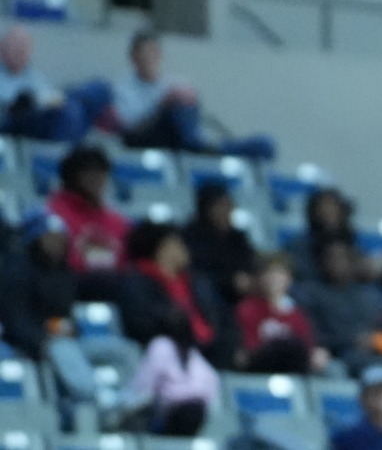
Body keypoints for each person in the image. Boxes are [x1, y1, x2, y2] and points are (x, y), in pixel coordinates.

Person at [0, 208, 98, 403]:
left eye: (60, 238)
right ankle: (96, 402)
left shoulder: (63, 273)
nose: (57, 244)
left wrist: (69, 328)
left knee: (123, 351)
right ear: (36, 239)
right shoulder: (17, 270)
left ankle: (130, 399)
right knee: (62, 349)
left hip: (60, 339)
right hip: (27, 342)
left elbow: (62, 318)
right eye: (50, 238)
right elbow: (15, 320)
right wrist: (41, 340)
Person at [119, 222, 220, 357]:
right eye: (178, 244)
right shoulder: (137, 283)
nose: (185, 249)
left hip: (208, 350)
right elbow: (142, 324)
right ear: (163, 249)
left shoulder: (197, 282)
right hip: (165, 353)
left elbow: (218, 319)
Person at [123, 307, 219, 436]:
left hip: (177, 415)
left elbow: (142, 386)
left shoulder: (161, 345)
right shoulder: (194, 354)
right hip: (195, 414)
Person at [104, 30, 204, 151]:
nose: (147, 58)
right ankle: (197, 148)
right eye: (143, 53)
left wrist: (186, 97)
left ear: (159, 55)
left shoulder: (172, 83)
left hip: (173, 136)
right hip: (141, 138)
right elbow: (130, 128)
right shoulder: (122, 88)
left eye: (152, 52)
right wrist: (162, 105)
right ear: (133, 57)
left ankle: (197, 146)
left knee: (184, 103)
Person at [236, 252, 330, 374]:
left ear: (289, 279)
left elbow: (307, 346)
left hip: (295, 370)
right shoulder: (247, 308)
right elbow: (250, 348)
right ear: (260, 278)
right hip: (262, 368)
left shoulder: (298, 314)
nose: (274, 279)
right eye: (269, 273)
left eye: (279, 273)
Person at [303, 237, 382, 371]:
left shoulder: (369, 295)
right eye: (332, 258)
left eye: (344, 258)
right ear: (322, 263)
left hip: (373, 353)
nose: (338, 264)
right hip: (335, 356)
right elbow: (313, 335)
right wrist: (352, 341)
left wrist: (375, 341)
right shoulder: (311, 294)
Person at [46, 144, 129, 283]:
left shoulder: (118, 222)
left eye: (101, 173)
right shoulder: (53, 215)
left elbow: (126, 263)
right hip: (70, 284)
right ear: (72, 176)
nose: (96, 179)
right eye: (88, 173)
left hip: (113, 287)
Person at [0, 24, 85, 141]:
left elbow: (50, 99)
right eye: (15, 46)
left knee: (75, 103)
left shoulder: (36, 78)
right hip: (8, 122)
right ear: (2, 48)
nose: (20, 51)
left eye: (24, 48)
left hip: (36, 120)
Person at [183, 181, 259, 305]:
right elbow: (196, 272)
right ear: (207, 208)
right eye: (221, 205)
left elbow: (250, 263)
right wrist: (230, 281)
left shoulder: (238, 237)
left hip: (244, 295)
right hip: (211, 297)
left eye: (229, 205)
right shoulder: (191, 237)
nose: (228, 211)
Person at [294, 186, 362, 283]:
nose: (328, 212)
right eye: (323, 208)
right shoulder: (299, 246)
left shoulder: (353, 240)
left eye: (332, 207)